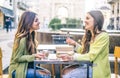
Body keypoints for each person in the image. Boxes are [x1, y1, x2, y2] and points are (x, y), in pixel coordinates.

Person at [59, 10, 111, 78]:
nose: (85, 21)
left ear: (96, 20)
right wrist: (74, 44)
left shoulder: (103, 36)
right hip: (86, 65)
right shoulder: (90, 35)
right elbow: (84, 52)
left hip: (95, 69)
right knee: (64, 71)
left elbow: (91, 56)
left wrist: (72, 57)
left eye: (88, 18)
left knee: (67, 76)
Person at [8, 11, 51, 78]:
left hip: (26, 67)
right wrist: (34, 56)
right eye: (36, 20)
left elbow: (28, 55)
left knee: (47, 73)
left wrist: (38, 55)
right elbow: (17, 58)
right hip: (17, 69)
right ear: (29, 23)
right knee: (45, 75)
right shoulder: (23, 39)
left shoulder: (31, 36)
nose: (39, 22)